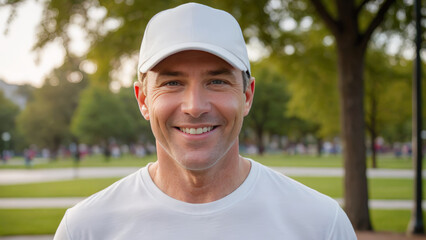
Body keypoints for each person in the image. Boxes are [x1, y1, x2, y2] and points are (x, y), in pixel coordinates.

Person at [54, 3, 356, 239]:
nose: (194, 107)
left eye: (217, 81)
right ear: (143, 100)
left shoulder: (320, 224)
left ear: (247, 95)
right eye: (172, 83)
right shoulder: (86, 229)